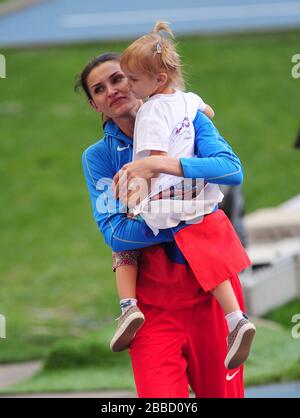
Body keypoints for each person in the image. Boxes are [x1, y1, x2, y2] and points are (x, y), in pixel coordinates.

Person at [79, 52, 252, 397]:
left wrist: (163, 168)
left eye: (117, 79)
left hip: (211, 291)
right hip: (153, 306)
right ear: (95, 105)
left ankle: (236, 323)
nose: (111, 90)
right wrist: (187, 217)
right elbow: (114, 233)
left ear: (140, 78)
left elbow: (231, 169)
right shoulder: (98, 157)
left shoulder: (187, 117)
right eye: (99, 89)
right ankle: (126, 310)